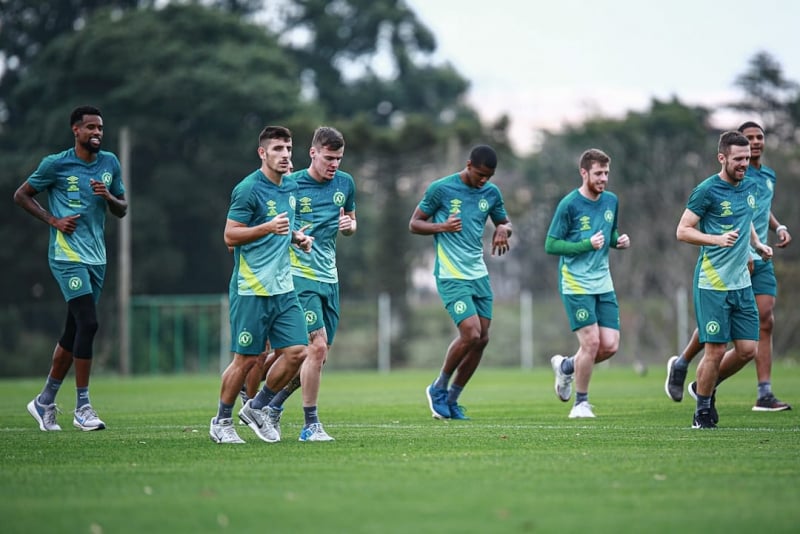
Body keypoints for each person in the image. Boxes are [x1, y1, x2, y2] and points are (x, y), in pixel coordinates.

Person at [14, 105, 128, 432]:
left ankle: (44, 400)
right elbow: (21, 195)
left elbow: (122, 209)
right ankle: (83, 406)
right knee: (89, 323)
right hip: (66, 256)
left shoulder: (110, 163)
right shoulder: (56, 164)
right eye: (90, 128)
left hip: (97, 258)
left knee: (74, 329)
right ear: (75, 130)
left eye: (100, 128)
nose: (97, 133)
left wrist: (108, 196)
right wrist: (52, 220)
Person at [665, 122, 792, 413]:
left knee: (748, 348)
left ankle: (702, 385)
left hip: (743, 279)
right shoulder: (706, 190)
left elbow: (745, 220)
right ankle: (704, 409)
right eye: (738, 159)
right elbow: (682, 231)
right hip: (713, 281)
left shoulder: (751, 186)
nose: (744, 164)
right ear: (722, 158)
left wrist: (757, 245)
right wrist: (715, 239)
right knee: (716, 348)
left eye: (747, 159)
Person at [210, 125, 313, 444]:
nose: (285, 155)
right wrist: (267, 227)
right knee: (247, 360)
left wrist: (297, 237)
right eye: (278, 149)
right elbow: (230, 236)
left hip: (283, 287)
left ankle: (257, 406)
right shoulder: (248, 189)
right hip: (251, 288)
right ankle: (221, 421)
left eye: (288, 148)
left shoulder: (291, 188)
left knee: (298, 352)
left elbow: (286, 225)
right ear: (262, 153)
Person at [257, 125, 356, 442]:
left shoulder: (346, 184)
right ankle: (310, 424)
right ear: (312, 152)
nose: (334, 165)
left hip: (330, 278)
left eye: (339, 158)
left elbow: (352, 222)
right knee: (317, 347)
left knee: (316, 355)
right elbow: (271, 226)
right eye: (329, 157)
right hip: (298, 277)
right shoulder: (289, 185)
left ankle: (267, 405)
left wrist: (349, 225)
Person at [410, 144, 512, 420]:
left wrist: (503, 228)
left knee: (483, 339)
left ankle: (453, 399)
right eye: (480, 174)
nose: (483, 181)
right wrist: (441, 226)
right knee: (471, 333)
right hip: (450, 274)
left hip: (478, 274)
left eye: (488, 177)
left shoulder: (491, 193)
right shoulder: (441, 189)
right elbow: (415, 223)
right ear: (468, 165)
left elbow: (505, 221)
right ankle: (438, 387)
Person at [545, 148, 630, 419]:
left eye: (606, 173)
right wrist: (585, 244)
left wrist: (618, 241)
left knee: (610, 346)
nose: (603, 178)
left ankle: (567, 366)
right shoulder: (569, 204)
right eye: (598, 173)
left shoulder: (611, 201)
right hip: (576, 283)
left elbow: (610, 232)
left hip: (603, 283)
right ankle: (580, 404)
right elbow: (551, 244)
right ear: (584, 173)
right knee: (591, 343)